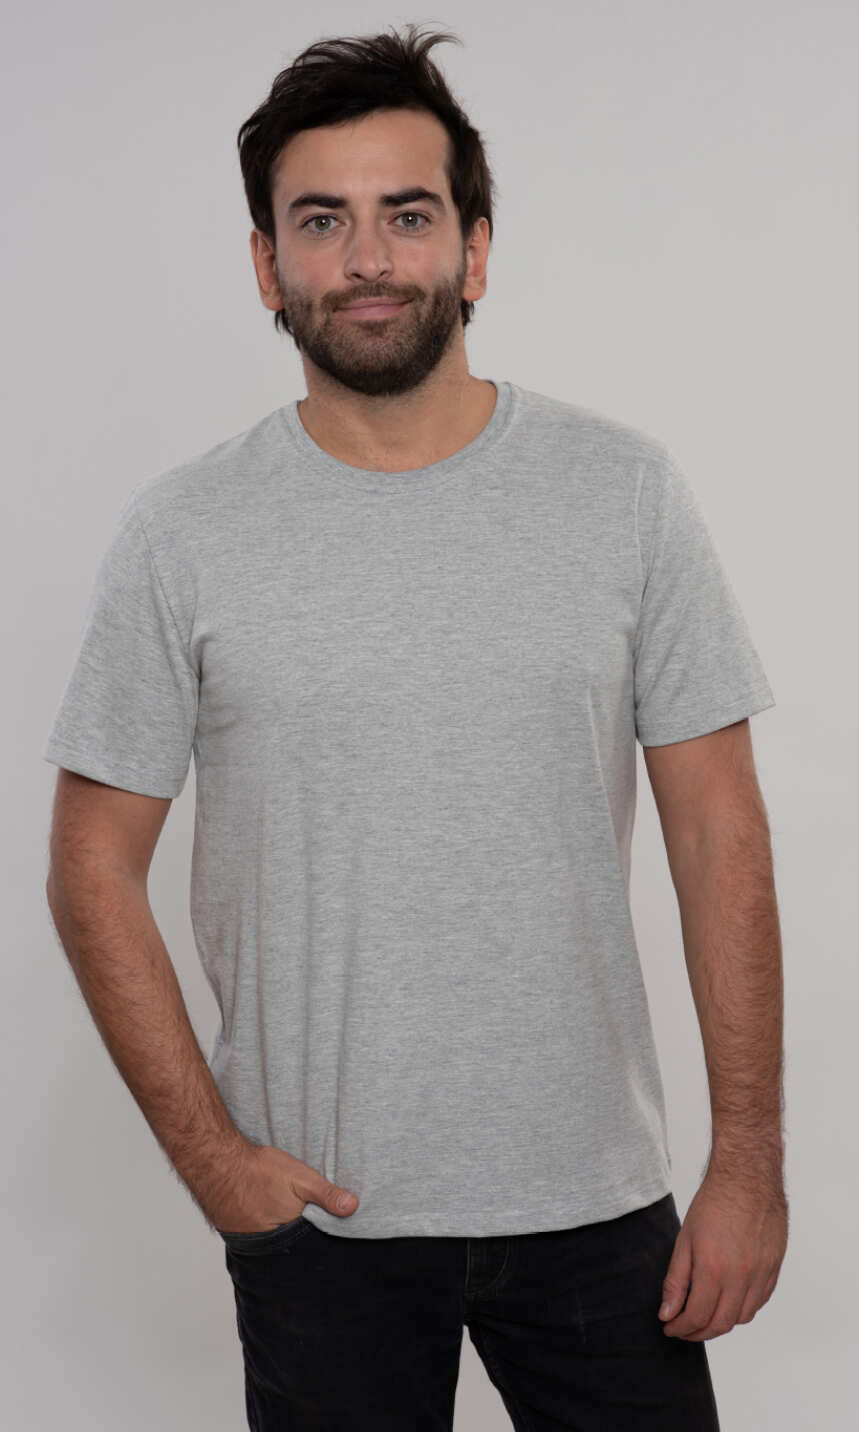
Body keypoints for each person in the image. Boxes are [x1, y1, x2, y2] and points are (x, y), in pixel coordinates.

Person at [42, 22, 788, 1432]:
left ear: (476, 250)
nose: (368, 258)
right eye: (321, 221)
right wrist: (218, 1168)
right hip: (321, 1225)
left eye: (409, 214)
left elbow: (720, 831)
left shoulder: (623, 493)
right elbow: (91, 867)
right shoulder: (183, 533)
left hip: (596, 1208)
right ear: (268, 264)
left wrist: (747, 1159)